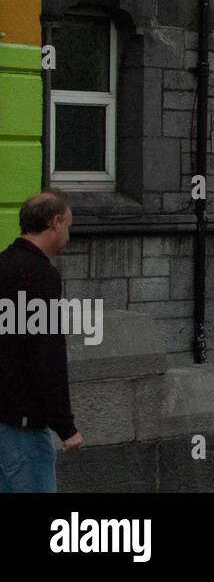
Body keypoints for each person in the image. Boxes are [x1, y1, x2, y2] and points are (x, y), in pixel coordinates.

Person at [0, 191, 82, 492]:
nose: (68, 236)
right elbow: (46, 355)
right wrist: (66, 426)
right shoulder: (41, 275)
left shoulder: (2, 265)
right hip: (24, 423)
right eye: (68, 226)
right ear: (55, 222)